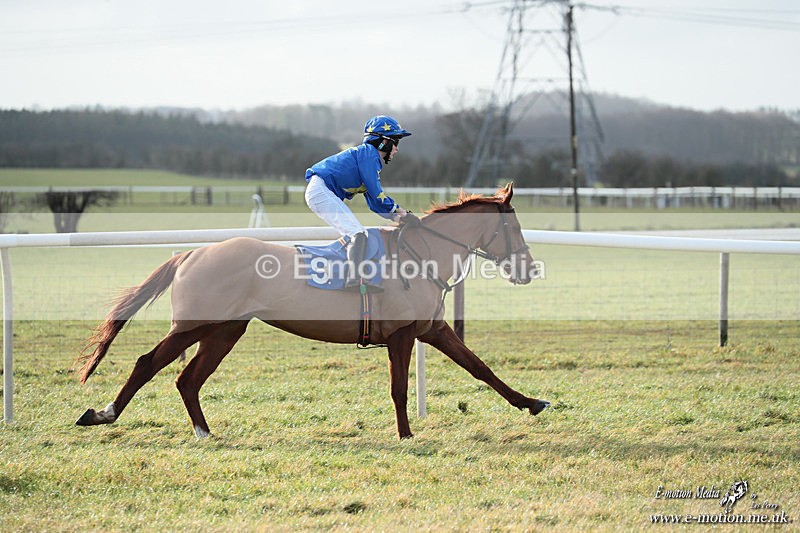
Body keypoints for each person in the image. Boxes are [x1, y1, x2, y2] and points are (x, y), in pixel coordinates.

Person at [304, 115, 419, 292]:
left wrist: (397, 217)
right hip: (321, 191)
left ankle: (351, 276)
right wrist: (402, 213)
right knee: (357, 233)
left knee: (358, 233)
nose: (396, 149)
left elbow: (374, 203)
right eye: (395, 142)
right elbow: (376, 192)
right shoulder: (369, 154)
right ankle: (353, 279)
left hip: (321, 191)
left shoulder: (367, 158)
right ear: (384, 142)